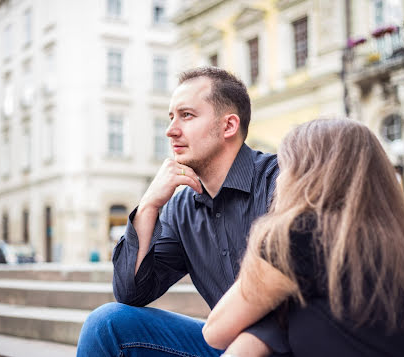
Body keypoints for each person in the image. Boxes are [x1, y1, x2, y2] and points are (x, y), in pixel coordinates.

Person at [77, 67, 288, 356]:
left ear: (228, 126)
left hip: (294, 343)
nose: (171, 130)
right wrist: (149, 205)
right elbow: (132, 292)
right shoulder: (181, 208)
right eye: (171, 117)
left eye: (186, 115)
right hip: (226, 346)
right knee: (107, 325)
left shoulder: (282, 180)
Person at [203, 118, 404, 356]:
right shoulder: (395, 242)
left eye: (285, 167)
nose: (278, 179)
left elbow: (215, 332)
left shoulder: (302, 233)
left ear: (304, 174)